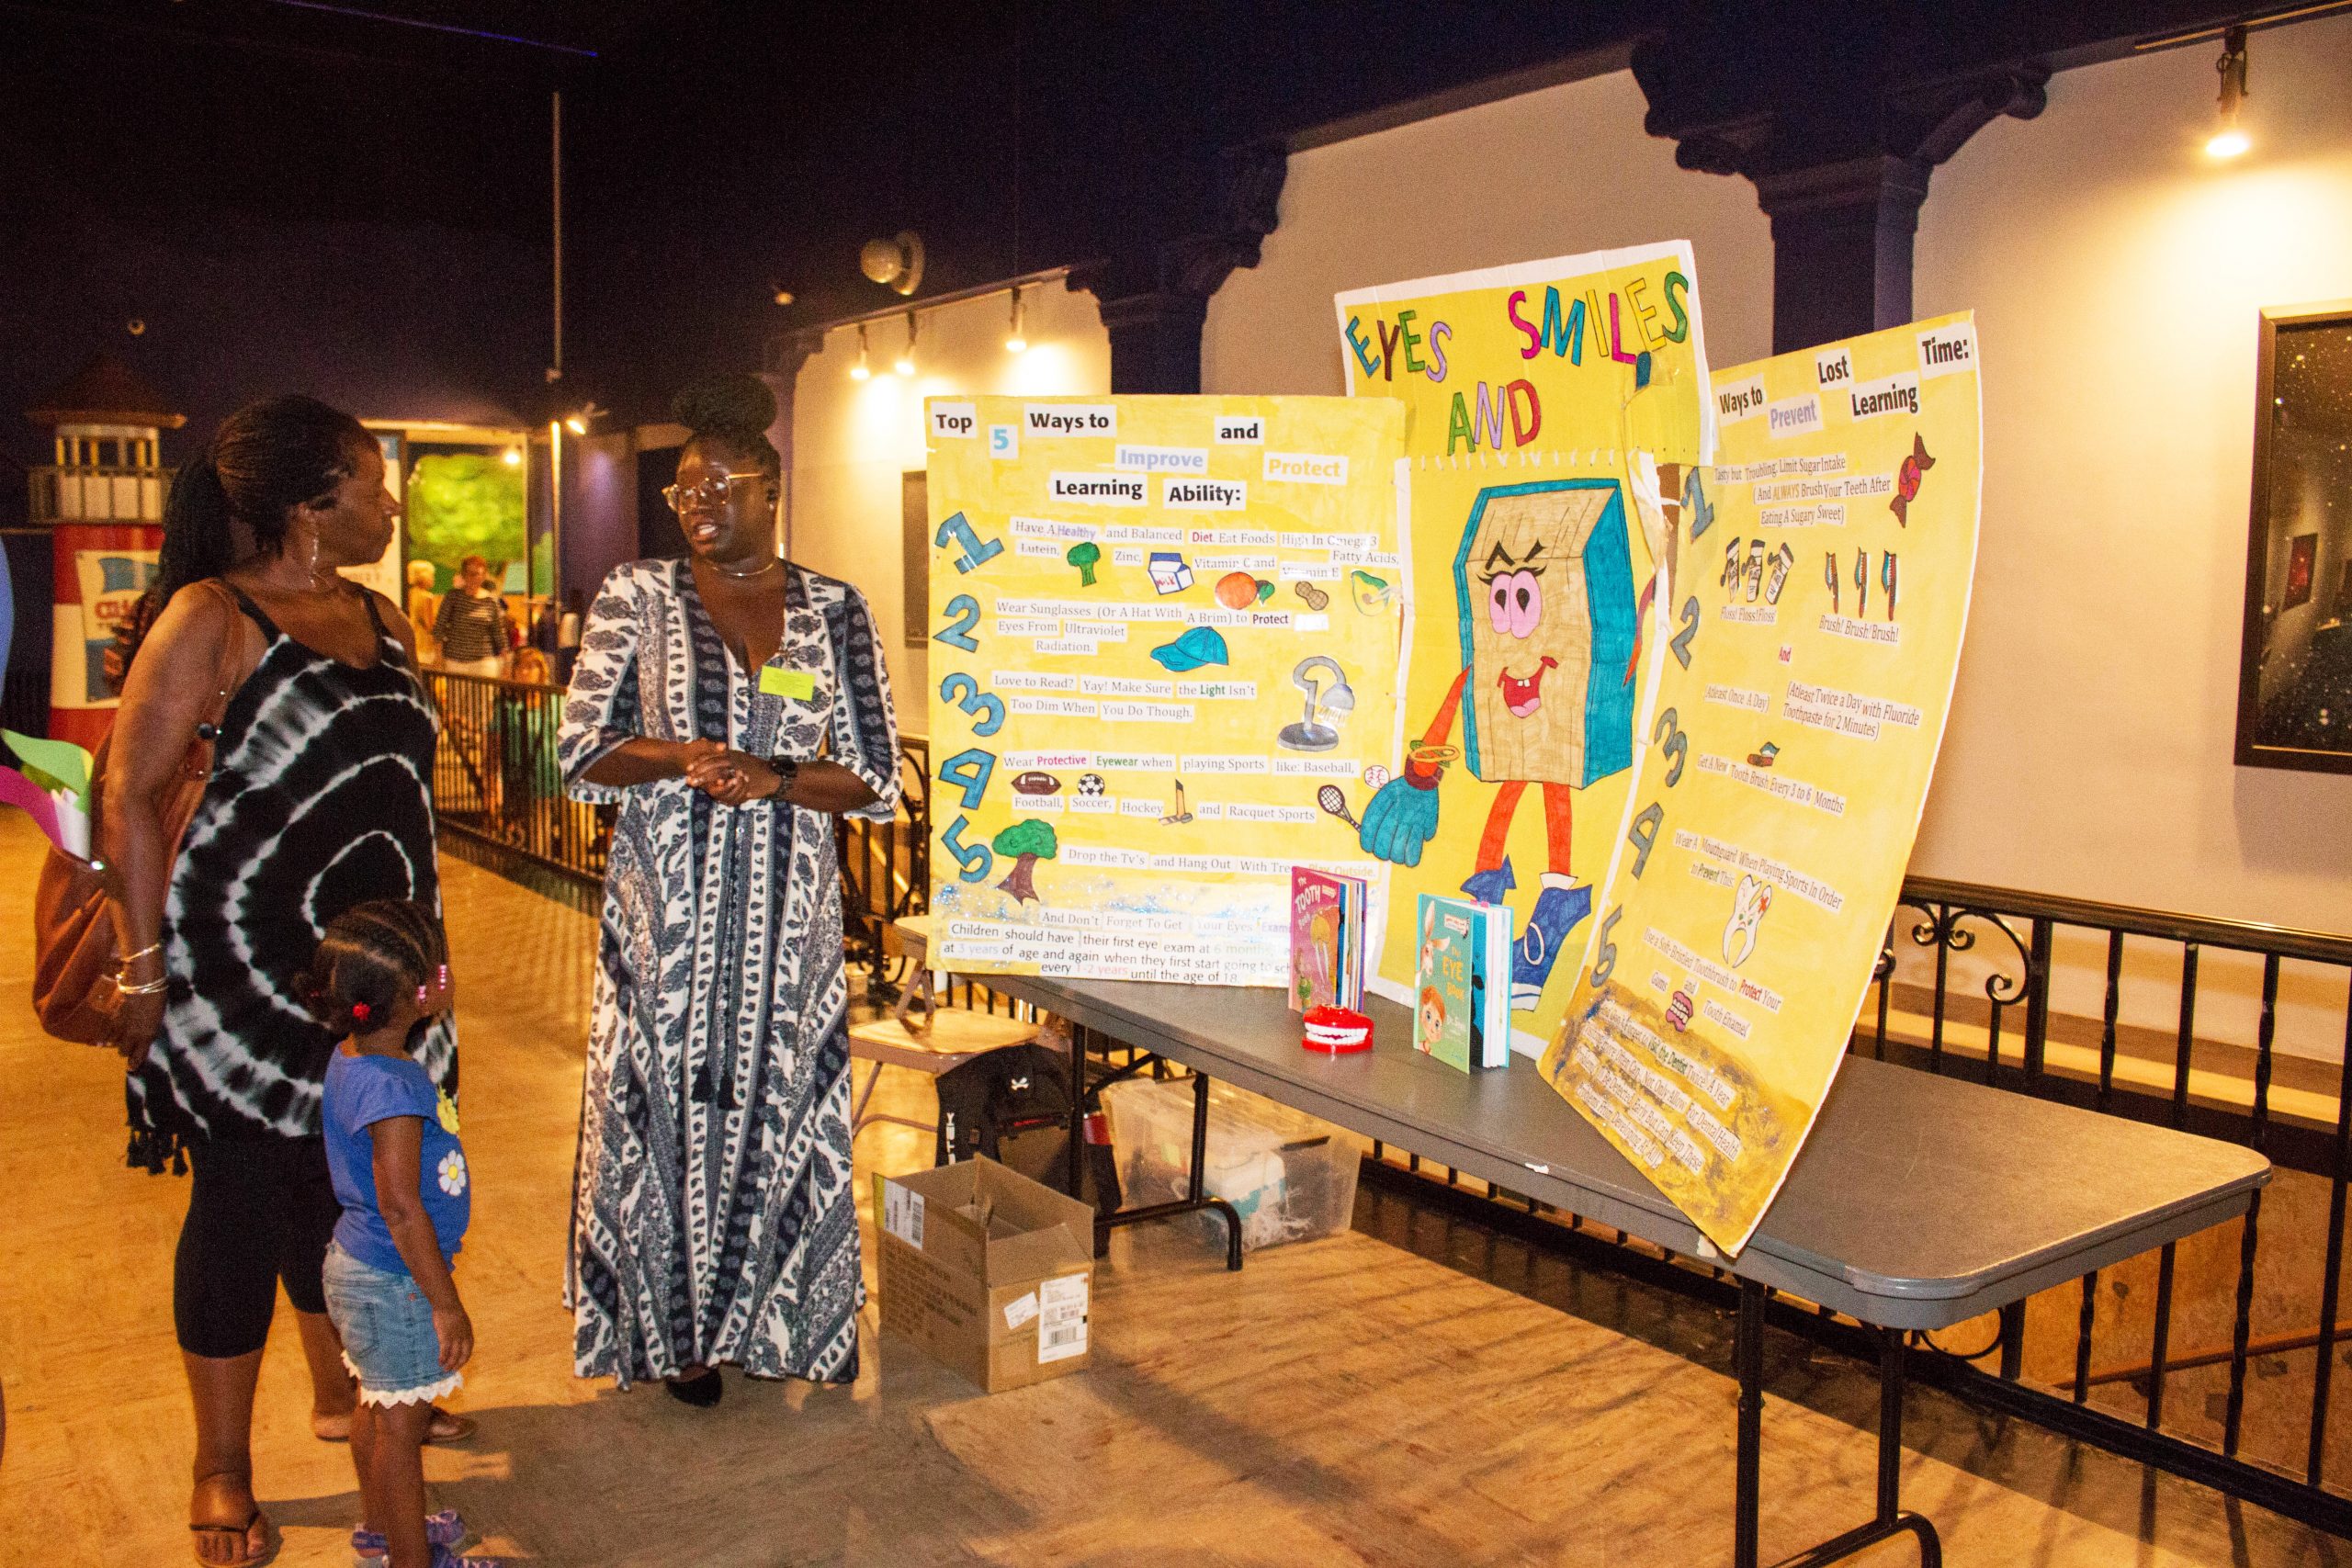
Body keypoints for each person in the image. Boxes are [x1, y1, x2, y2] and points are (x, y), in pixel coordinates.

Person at [106, 394, 466, 1567]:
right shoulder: (213, 619)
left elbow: (402, 803)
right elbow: (127, 792)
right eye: (373, 481)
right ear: (313, 504)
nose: (391, 500)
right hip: (239, 984)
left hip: (377, 972)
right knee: (239, 1212)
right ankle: (221, 1466)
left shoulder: (386, 618)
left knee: (355, 1190)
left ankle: (354, 1392)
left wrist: (427, 955)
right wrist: (143, 961)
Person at [559, 373, 900, 1404]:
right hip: (666, 911)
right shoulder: (638, 596)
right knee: (660, 1108)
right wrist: (679, 755)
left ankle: (781, 1321)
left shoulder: (836, 612)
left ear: (771, 490)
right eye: (684, 493)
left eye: (719, 487)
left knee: (782, 1104)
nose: (699, 505)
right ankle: (678, 1337)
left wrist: (780, 778)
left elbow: (877, 778)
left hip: (787, 918)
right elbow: (581, 751)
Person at [311, 901, 499, 1568]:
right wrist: (444, 1300)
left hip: (358, 1267)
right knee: (402, 1428)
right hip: (396, 1280)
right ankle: (414, 1558)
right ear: (417, 995)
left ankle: (382, 1529)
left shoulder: (353, 1058)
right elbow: (401, 1205)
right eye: (438, 966)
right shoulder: (394, 1088)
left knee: (378, 1408)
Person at [431, 556, 508, 677]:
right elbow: (439, 627)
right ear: (463, 575)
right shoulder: (453, 597)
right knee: (457, 695)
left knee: (483, 695)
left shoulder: (491, 601)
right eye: (469, 574)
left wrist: (506, 662)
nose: (474, 578)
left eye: (477, 574)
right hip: (455, 660)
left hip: (484, 661)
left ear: (483, 576)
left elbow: (499, 633)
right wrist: (438, 656)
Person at [405, 560, 441, 666]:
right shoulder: (427, 597)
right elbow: (431, 626)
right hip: (425, 648)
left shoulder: (409, 594)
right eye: (431, 575)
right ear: (423, 577)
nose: (433, 579)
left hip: (412, 644)